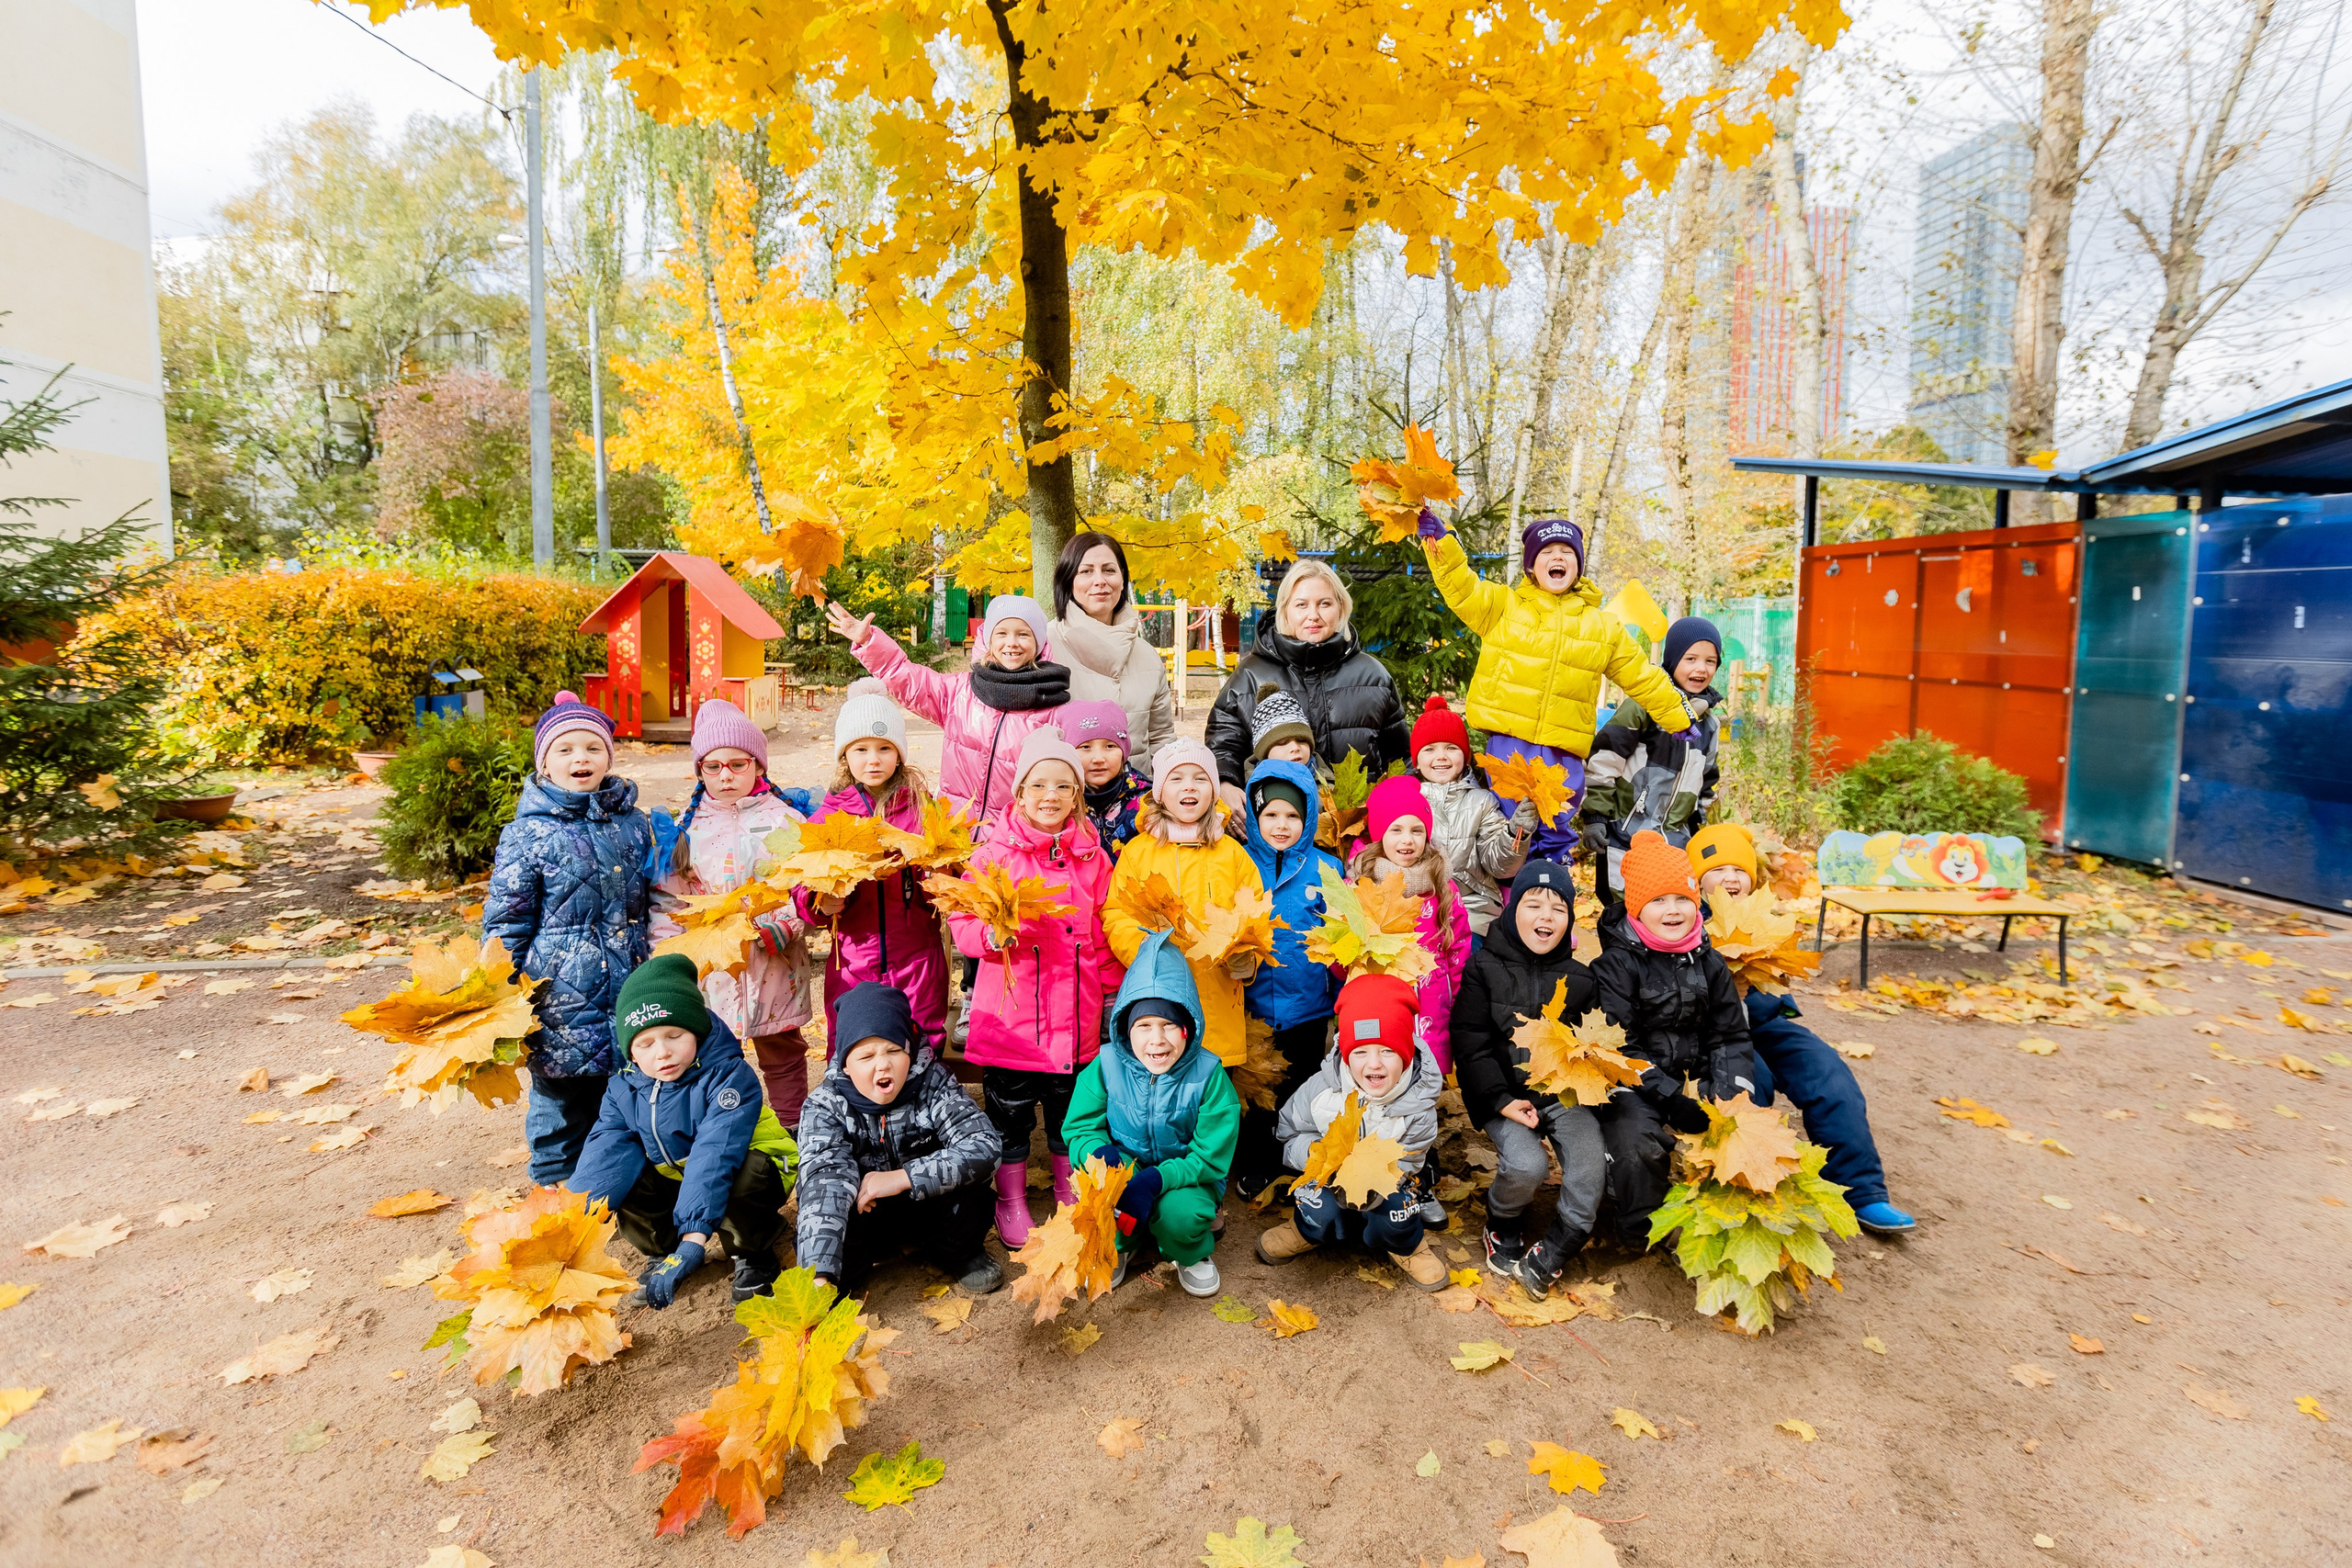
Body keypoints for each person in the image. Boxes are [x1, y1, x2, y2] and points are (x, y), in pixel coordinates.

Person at [1417, 511, 1694, 861]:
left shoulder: (1601, 627)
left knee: (1555, 823)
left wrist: (1676, 714)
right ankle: (1511, 884)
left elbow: (1640, 673)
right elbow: (1463, 588)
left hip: (1563, 751)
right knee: (1508, 825)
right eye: (1547, 552)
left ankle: (1552, 875)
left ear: (1578, 566)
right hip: (1510, 743)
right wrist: (1442, 545)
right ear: (1532, 567)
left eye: (1567, 552)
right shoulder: (1503, 607)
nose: (1557, 557)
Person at [1686, 824, 1917, 1235]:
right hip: (1712, 1033)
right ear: (1697, 880)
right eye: (1717, 870)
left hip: (1764, 1022)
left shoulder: (1764, 918)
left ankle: (1860, 1190)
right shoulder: (1681, 922)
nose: (1730, 878)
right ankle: (1745, 1192)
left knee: (1828, 1074)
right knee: (1749, 1084)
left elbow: (1779, 984)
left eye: (1739, 870)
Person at [946, 730, 1125, 1247]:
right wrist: (989, 936)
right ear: (1020, 792)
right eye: (1039, 785)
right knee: (1010, 1113)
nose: (1051, 795)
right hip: (1012, 1019)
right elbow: (963, 920)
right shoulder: (994, 855)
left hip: (1077, 1018)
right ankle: (1011, 1197)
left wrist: (1110, 995)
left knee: (1071, 1111)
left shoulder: (1093, 859)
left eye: (1063, 786)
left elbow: (1103, 935)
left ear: (1077, 795)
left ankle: (1069, 1189)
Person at [482, 692, 653, 1184]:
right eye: (566, 749)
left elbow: (653, 901)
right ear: (545, 763)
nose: (581, 757)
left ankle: (618, 1190)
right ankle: (554, 1191)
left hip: (628, 987)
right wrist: (498, 991)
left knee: (625, 1099)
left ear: (608, 758)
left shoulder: (633, 824)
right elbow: (507, 921)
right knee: (560, 1104)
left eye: (593, 748)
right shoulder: (526, 835)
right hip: (558, 998)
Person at [569, 953, 797, 1307]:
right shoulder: (623, 1088)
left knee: (744, 1175)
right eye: (645, 1044)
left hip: (752, 1167)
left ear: (696, 1031)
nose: (662, 1053)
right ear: (631, 1052)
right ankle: (663, 1249)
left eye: (674, 1035)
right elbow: (605, 1156)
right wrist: (569, 1229)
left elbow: (714, 1154)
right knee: (626, 1174)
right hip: (679, 1173)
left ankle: (752, 1250)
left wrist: (694, 1238)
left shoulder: (728, 1076)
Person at [648, 698, 817, 1127]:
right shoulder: (688, 832)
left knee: (783, 1054)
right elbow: (669, 903)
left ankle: (793, 1130)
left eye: (738, 764)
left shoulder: (787, 821)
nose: (726, 775)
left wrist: (790, 924)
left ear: (758, 765)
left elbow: (806, 888)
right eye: (713, 766)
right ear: (700, 770)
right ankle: (728, 1134)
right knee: (716, 1057)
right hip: (713, 973)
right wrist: (669, 961)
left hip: (776, 966)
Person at [1590, 830, 1757, 1248]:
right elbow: (1619, 1049)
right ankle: (1639, 1230)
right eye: (1658, 901)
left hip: (1694, 1075)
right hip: (1634, 1083)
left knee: (1742, 1129)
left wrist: (1728, 1091)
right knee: (1638, 1142)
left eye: (1682, 898)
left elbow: (1730, 1035)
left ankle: (1715, 1223)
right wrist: (1671, 1098)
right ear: (1636, 907)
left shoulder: (1709, 961)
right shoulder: (1616, 965)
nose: (1672, 910)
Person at [1451, 860, 1610, 1294]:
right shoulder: (1483, 968)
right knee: (1527, 1165)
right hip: (1503, 1094)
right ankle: (1502, 1220)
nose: (1546, 916)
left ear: (1570, 920)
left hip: (1560, 1093)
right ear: (1512, 909)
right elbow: (1471, 1042)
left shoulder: (1581, 979)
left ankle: (1564, 1240)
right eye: (1533, 904)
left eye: (1558, 909)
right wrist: (1499, 1099)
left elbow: (1592, 1045)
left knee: (1589, 1160)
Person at [794, 981, 1003, 1294]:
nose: (883, 1064)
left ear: (910, 1051)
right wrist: (818, 1273)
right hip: (868, 1214)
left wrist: (902, 1177)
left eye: (894, 1050)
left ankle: (961, 1254)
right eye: (866, 1056)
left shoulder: (934, 1083)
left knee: (972, 1190)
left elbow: (984, 1145)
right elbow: (824, 1180)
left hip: (928, 1207)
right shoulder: (824, 1105)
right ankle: (837, 1274)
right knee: (827, 1211)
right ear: (846, 1064)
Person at [1063, 930, 1241, 1297]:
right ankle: (1120, 1246)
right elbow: (1080, 1129)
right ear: (1126, 1030)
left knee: (1181, 1215)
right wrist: (1103, 1157)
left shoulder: (1209, 1075)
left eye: (1168, 1026)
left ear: (1188, 1029)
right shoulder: (1106, 1065)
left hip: (1185, 1178)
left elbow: (1210, 1158)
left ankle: (1189, 1251)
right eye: (1143, 1026)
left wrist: (1156, 1180)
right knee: (1102, 1195)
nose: (1156, 1040)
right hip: (1123, 1168)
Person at [1255, 974, 1448, 1289]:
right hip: (1328, 1175)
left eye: (1387, 1051)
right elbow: (1289, 1134)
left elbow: (1411, 1160)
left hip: (1387, 1182)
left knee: (1399, 1209)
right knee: (1316, 1204)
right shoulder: (1320, 1090)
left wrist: (1373, 1178)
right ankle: (1306, 1230)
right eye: (1361, 1052)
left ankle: (1406, 1245)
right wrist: (1315, 1153)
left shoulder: (1418, 1104)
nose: (1374, 1064)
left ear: (1406, 1053)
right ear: (1345, 1053)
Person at [792, 679, 951, 1053]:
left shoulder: (923, 810)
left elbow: (950, 866)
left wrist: (943, 878)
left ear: (900, 754)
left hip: (917, 958)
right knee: (852, 1044)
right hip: (853, 959)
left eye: (884, 748)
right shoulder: (829, 819)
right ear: (845, 756)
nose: (873, 759)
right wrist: (819, 903)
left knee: (921, 1044)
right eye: (861, 749)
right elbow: (802, 884)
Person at [826, 593, 1069, 832]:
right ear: (988, 639)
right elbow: (907, 677)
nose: (1012, 642)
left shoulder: (1052, 706)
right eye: (1002, 633)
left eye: (1023, 634)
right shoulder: (959, 692)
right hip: (953, 832)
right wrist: (869, 641)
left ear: (1039, 642)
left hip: (1012, 839)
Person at [1102, 739, 1264, 1069]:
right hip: (1157, 1000)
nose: (1189, 786)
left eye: (1200, 778)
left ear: (1214, 791)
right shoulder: (1138, 852)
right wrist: (1146, 950)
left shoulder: (1232, 854)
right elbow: (1117, 913)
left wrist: (1249, 958)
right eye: (1176, 778)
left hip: (1218, 1006)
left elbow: (1256, 916)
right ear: (1161, 792)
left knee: (1212, 1094)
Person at [1204, 558, 1407, 812]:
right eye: (1301, 605)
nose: (1314, 615)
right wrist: (1225, 782)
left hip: (1359, 823)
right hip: (1275, 825)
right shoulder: (1250, 676)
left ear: (1341, 608)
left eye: (1325, 604)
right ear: (1285, 611)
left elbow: (1401, 758)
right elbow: (1223, 747)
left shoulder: (1372, 676)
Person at [1233, 757, 1342, 1197]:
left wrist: (1340, 1002)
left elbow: (1341, 942)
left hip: (1308, 1005)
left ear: (1308, 817)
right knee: (1255, 1090)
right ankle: (1255, 1160)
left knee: (1302, 1088)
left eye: (1293, 816)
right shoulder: (1239, 864)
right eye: (1271, 814)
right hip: (1252, 1005)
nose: (1281, 825)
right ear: (1255, 817)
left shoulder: (1326, 869)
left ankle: (1293, 1161)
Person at [1581, 617, 1724, 907]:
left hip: (1675, 843)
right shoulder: (1645, 705)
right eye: (1691, 659)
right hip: (1625, 833)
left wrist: (1700, 826)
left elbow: (1706, 780)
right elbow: (1604, 758)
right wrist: (1595, 816)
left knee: (1665, 911)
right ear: (1672, 660)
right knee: (1622, 910)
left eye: (1710, 661)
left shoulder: (1709, 724)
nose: (1701, 668)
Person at [1345, 776, 1473, 1077]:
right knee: (1381, 1078)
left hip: (1432, 1006)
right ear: (1380, 834)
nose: (1407, 840)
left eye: (1417, 830)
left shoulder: (1442, 887)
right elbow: (1343, 955)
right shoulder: (1360, 886)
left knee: (1425, 1081)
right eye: (1396, 830)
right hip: (1377, 1005)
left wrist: (1459, 999)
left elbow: (1458, 947)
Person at [1046, 531, 1178, 773]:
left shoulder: (1147, 656)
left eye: (1109, 570)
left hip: (1138, 794)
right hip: (1065, 792)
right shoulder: (1044, 648)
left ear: (1122, 578)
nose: (1100, 581)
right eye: (1086, 571)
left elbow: (1162, 738)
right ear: (1068, 580)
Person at [1407, 694, 1528, 942]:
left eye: (1451, 748)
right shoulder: (1406, 798)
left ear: (1465, 756)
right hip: (1417, 910)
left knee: (1470, 956)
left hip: (1472, 909)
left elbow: (1500, 866)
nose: (1441, 756)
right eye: (1430, 749)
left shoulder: (1481, 801)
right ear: (1416, 761)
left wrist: (1516, 833)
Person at [1063, 699, 1152, 857]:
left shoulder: (1147, 801)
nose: (1098, 758)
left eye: (1110, 746)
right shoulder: (1059, 799)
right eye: (1085, 747)